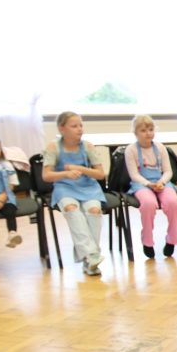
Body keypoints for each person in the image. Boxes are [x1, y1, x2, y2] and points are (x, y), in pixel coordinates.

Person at [43, 112, 107, 275]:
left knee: (94, 211)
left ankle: (89, 260)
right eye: (74, 126)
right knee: (71, 209)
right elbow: (46, 175)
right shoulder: (53, 147)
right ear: (62, 128)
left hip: (89, 187)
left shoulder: (88, 146)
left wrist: (79, 168)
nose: (79, 129)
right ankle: (92, 255)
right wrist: (65, 174)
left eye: (81, 125)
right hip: (64, 187)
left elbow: (100, 174)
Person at [124, 115, 177, 259]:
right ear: (135, 133)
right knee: (148, 204)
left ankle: (172, 239)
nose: (148, 133)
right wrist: (148, 184)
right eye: (143, 130)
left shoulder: (160, 147)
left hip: (161, 182)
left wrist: (161, 182)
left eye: (150, 129)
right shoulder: (131, 150)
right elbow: (134, 174)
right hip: (141, 184)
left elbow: (168, 171)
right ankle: (147, 240)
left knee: (173, 203)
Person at [0, 133, 22, 250]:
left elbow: (12, 183)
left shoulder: (6, 165)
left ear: (0, 149)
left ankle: (12, 233)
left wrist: (3, 198)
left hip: (6, 197)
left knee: (10, 211)